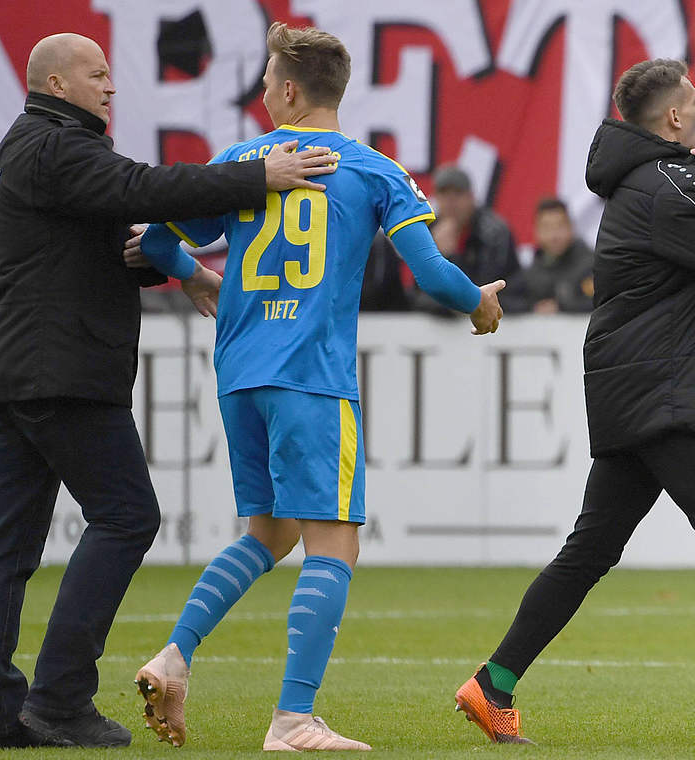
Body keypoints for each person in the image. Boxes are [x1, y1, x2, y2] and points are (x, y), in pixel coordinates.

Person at [0, 32, 339, 750]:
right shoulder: (59, 147)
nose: (111, 85)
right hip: (63, 373)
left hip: (14, 372)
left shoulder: (20, 152)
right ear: (57, 83)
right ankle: (61, 697)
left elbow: (84, 242)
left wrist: (179, 270)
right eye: (97, 75)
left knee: (5, 547)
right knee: (128, 516)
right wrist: (260, 174)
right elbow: (143, 189)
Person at [130, 22, 505, 752]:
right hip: (310, 377)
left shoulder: (239, 162)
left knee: (270, 534)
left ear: (292, 90)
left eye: (268, 81)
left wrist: (199, 277)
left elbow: (153, 238)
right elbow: (430, 272)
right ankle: (293, 720)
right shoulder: (373, 170)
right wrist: (480, 303)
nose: (263, 91)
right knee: (335, 544)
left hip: (240, 374)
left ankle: (174, 657)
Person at [453, 58, 695, 748]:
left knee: (590, 548)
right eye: (694, 101)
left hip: (636, 386)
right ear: (673, 119)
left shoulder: (646, 182)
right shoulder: (671, 183)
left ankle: (493, 683)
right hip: (667, 390)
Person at [407, 164, 519, 313]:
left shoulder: (493, 233)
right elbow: (420, 289)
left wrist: (449, 256)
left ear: (471, 197)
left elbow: (481, 289)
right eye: (444, 195)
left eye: (457, 195)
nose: (451, 203)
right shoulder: (429, 230)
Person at [499, 197, 594, 314]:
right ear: (536, 231)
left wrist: (562, 307)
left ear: (571, 227)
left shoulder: (590, 266)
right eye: (547, 228)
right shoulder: (532, 271)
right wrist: (533, 308)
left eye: (560, 226)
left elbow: (600, 302)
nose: (554, 235)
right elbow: (503, 299)